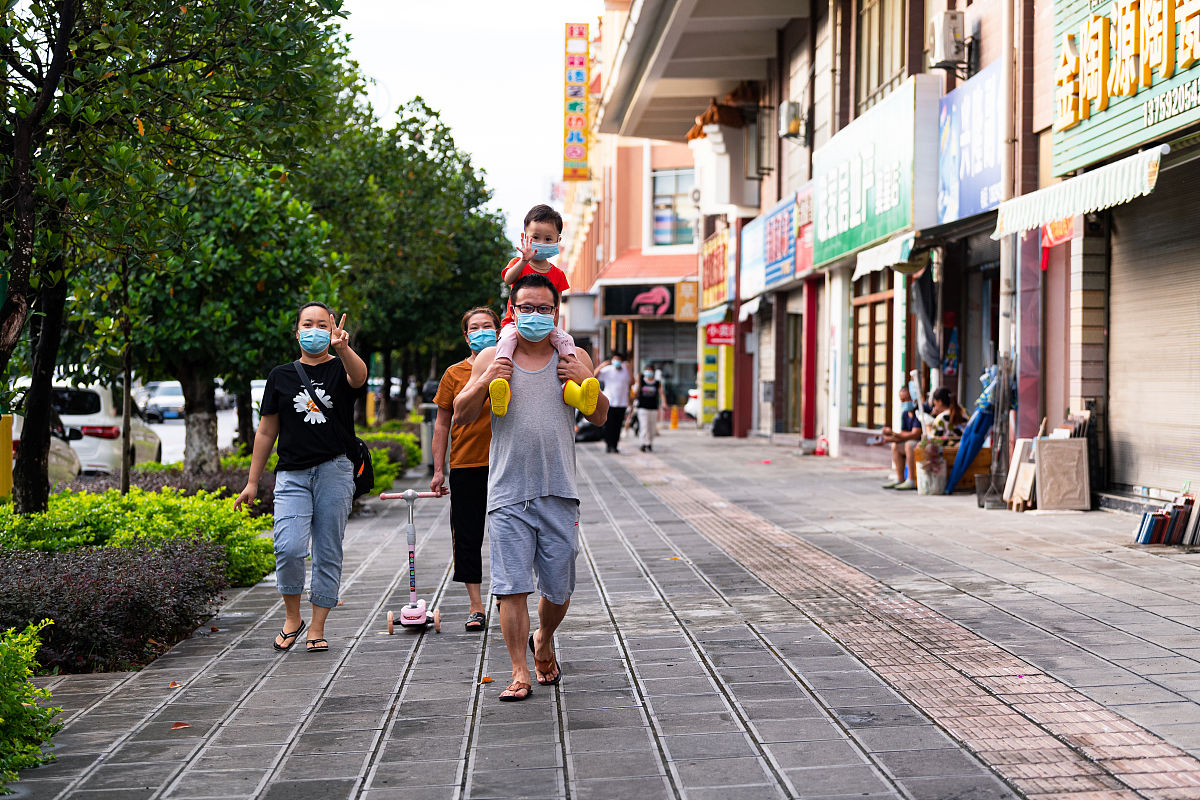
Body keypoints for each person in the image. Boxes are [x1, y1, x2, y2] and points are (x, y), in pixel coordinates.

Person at [453, 273, 609, 702]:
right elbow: (460, 415)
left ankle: (545, 637)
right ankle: (519, 671)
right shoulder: (491, 359)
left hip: (559, 489)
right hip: (507, 491)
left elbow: (600, 417)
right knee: (511, 586)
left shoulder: (573, 355)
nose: (535, 315)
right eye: (527, 308)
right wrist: (485, 382)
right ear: (513, 310)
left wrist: (583, 374)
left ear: (555, 312)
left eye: (544, 308)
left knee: (559, 589)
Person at [235, 303, 367, 653]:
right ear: (297, 332)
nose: (314, 329)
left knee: (328, 550)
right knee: (289, 547)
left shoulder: (341, 368)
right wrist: (252, 481)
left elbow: (360, 378)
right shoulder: (280, 376)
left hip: (335, 471)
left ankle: (318, 626)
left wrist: (344, 349)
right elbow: (266, 432)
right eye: (307, 324)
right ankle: (293, 617)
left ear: (332, 330)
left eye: (322, 324)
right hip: (291, 474)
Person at [488, 204, 599, 419]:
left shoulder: (557, 274)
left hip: (547, 326)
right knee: (505, 343)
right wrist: (524, 260)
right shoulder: (519, 263)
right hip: (515, 324)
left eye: (548, 239)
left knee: (566, 344)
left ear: (558, 240)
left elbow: (556, 305)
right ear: (525, 238)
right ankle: (501, 386)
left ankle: (574, 390)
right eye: (536, 237)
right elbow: (508, 279)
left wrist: (553, 330)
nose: (542, 243)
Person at [430, 307, 500, 632]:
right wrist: (438, 470)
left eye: (488, 326)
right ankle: (476, 605)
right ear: (466, 335)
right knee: (467, 536)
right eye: (475, 327)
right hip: (466, 464)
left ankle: (505, 597)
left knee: (506, 534)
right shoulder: (454, 373)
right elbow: (442, 424)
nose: (482, 331)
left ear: (499, 330)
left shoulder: (509, 366)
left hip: (505, 463)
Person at [880, 385, 923, 491]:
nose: (904, 402)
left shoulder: (920, 411)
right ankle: (900, 478)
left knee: (909, 445)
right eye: (902, 400)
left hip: (921, 442)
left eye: (906, 399)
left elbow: (915, 434)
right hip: (910, 441)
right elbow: (903, 434)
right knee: (896, 446)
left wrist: (894, 434)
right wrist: (890, 438)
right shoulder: (905, 414)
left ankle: (911, 479)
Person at [593, 351, 631, 453]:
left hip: (621, 403)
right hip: (609, 402)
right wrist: (601, 366)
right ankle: (609, 445)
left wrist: (629, 369)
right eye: (615, 359)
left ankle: (615, 445)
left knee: (618, 426)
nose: (617, 362)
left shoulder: (625, 370)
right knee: (609, 425)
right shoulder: (608, 370)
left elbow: (632, 382)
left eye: (619, 360)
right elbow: (593, 376)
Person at [633, 364, 665, 453]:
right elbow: (635, 392)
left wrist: (664, 403)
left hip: (653, 408)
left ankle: (649, 443)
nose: (649, 372)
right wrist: (638, 381)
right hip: (642, 407)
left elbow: (661, 393)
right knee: (644, 425)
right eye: (647, 370)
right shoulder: (641, 382)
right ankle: (643, 443)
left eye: (650, 370)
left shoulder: (657, 383)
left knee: (652, 427)